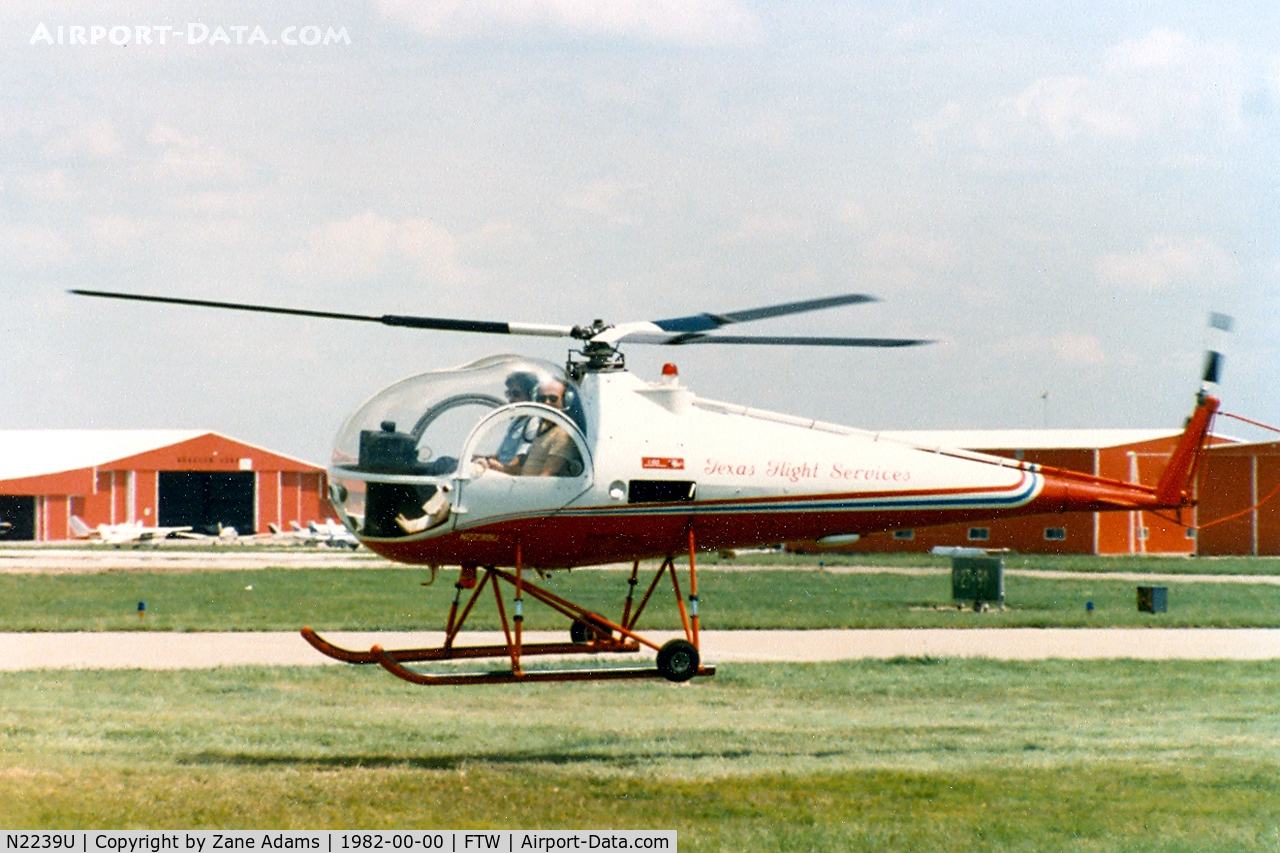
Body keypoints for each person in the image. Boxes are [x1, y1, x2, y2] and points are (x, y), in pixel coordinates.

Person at [516, 379, 583, 477]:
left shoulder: (563, 435)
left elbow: (546, 478)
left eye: (553, 398)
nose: (547, 403)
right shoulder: (543, 429)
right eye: (542, 399)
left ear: (565, 401)